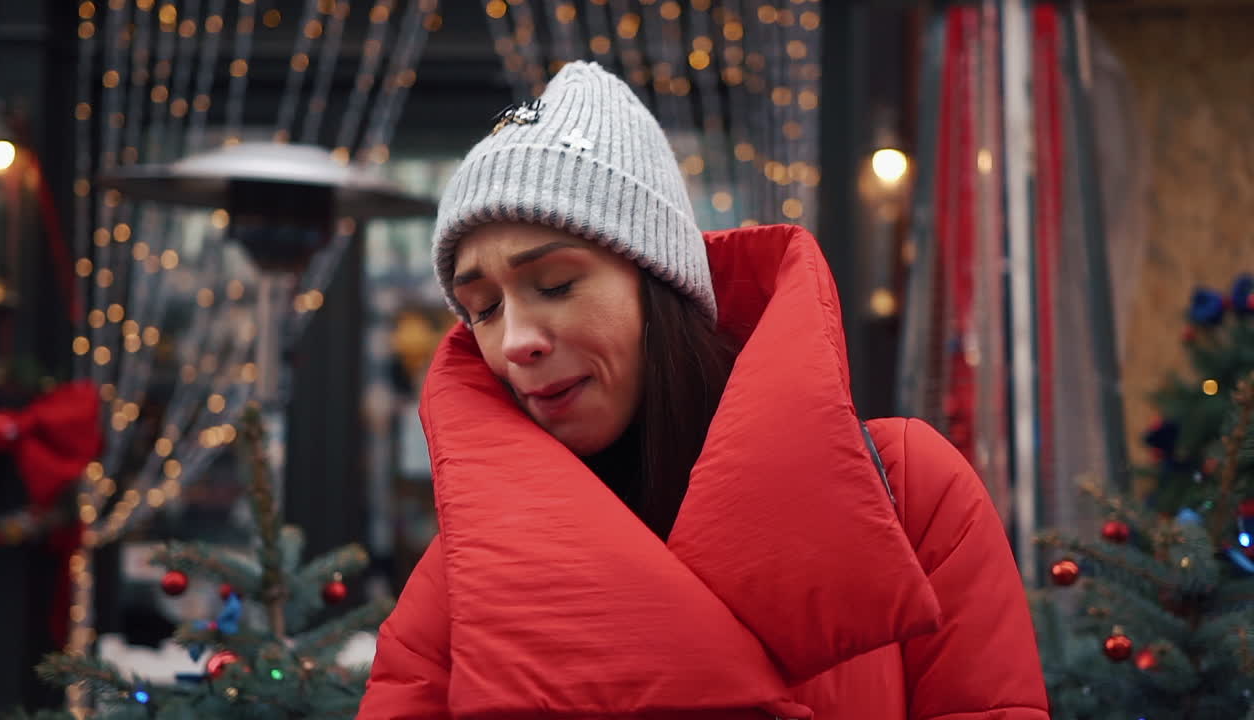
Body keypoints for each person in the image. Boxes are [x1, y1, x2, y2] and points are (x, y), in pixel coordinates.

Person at [359, 61, 1048, 720]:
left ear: (660, 283)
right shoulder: (469, 575)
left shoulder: (908, 492)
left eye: (556, 285)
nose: (515, 342)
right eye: (483, 309)